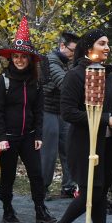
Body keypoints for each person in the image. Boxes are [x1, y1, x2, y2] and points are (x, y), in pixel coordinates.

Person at [48, 30, 112, 223]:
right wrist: (106, 119)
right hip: (84, 145)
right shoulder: (75, 76)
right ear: (88, 48)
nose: (107, 47)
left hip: (107, 145)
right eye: (102, 43)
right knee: (89, 194)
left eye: (108, 43)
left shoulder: (108, 74)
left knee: (101, 193)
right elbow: (68, 112)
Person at [0, 17, 56, 223]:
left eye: (23, 57)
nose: (19, 60)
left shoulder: (35, 83)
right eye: (16, 57)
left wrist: (38, 134)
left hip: (28, 136)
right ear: (11, 58)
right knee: (8, 175)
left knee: (36, 174)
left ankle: (40, 209)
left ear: (29, 59)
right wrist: (0, 137)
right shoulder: (4, 81)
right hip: (7, 137)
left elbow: (39, 110)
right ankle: (7, 209)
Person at [41, 32, 78, 199]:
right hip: (47, 109)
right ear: (62, 46)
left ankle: (69, 186)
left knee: (69, 148)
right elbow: (65, 83)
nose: (74, 55)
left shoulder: (70, 62)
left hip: (64, 111)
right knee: (48, 151)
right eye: (72, 50)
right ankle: (42, 187)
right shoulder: (50, 60)